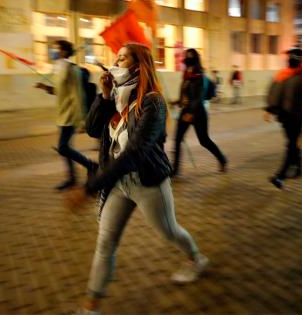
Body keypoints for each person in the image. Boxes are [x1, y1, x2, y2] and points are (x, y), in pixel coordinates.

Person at [80, 44, 209, 314]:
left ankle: (196, 258)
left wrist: (91, 186)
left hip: (147, 181)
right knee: (105, 243)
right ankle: (91, 307)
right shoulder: (114, 96)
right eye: (115, 57)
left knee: (168, 231)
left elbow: (136, 152)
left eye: (123, 57)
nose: (116, 61)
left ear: (138, 65)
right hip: (117, 185)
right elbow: (92, 129)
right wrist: (103, 95)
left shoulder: (153, 102)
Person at [36, 40, 97, 191]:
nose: (53, 51)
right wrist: (46, 87)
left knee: (63, 147)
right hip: (61, 114)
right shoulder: (59, 68)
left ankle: (91, 165)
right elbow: (59, 91)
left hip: (70, 114)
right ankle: (72, 178)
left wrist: (81, 120)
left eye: (56, 49)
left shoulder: (72, 69)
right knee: (66, 147)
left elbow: (78, 95)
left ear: (63, 51)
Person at [264, 47, 302, 189]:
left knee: (291, 145)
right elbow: (275, 92)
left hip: (298, 116)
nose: (291, 59)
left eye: (295, 57)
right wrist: (270, 109)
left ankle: (281, 176)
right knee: (292, 143)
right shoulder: (283, 74)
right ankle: (300, 169)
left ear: (300, 59)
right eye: (290, 56)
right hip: (285, 116)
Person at [171, 49, 228, 177]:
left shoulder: (199, 76)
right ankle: (175, 170)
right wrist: (177, 102)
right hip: (186, 110)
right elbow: (185, 94)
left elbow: (198, 97)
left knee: (204, 140)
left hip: (198, 113)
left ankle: (222, 159)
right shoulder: (186, 75)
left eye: (189, 57)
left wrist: (191, 113)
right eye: (186, 57)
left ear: (194, 60)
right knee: (177, 139)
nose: (186, 59)